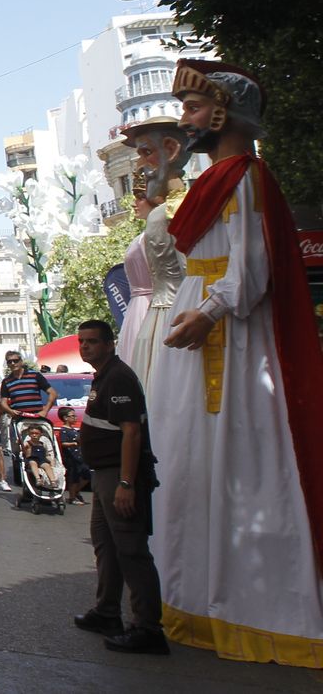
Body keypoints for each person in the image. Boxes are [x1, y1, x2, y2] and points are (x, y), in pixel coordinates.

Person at [152, 59, 323, 665]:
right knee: (191, 467)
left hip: (228, 341)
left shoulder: (245, 176)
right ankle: (197, 600)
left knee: (241, 465)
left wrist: (210, 313)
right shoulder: (215, 179)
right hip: (198, 331)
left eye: (194, 108)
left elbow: (250, 266)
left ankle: (256, 610)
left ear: (223, 112)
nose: (186, 119)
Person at [73, 320, 167, 655]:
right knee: (106, 545)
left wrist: (126, 483)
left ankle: (148, 629)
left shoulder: (118, 376)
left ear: (110, 344)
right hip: (104, 474)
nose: (85, 347)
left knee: (130, 549)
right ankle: (107, 612)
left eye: (93, 342)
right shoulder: (104, 375)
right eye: (82, 341)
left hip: (119, 475)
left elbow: (132, 432)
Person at [117, 118, 190, 389]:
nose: (140, 165)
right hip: (154, 316)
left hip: (171, 314)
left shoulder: (172, 211)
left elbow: (191, 270)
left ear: (171, 150)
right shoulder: (162, 215)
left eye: (146, 153)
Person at [56, 407, 90, 505]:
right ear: (65, 418)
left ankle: (75, 492)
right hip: (71, 457)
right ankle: (72, 497)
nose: (75, 418)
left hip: (80, 456)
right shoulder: (64, 430)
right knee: (74, 477)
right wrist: (74, 443)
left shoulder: (74, 430)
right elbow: (63, 443)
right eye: (73, 416)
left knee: (86, 475)